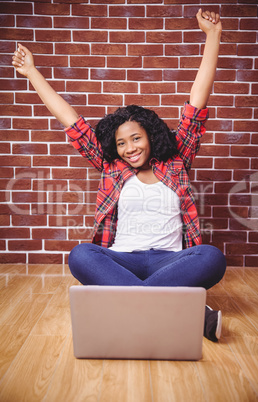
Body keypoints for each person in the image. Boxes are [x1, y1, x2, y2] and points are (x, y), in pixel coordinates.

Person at [12, 9, 226, 342]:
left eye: (136, 138)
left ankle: (122, 306)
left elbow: (196, 106)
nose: (129, 149)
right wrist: (32, 72)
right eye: (121, 143)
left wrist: (213, 37)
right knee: (81, 255)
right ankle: (188, 313)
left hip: (172, 263)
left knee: (212, 257)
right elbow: (72, 122)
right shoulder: (113, 168)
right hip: (122, 261)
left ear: (151, 135)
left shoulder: (176, 160)